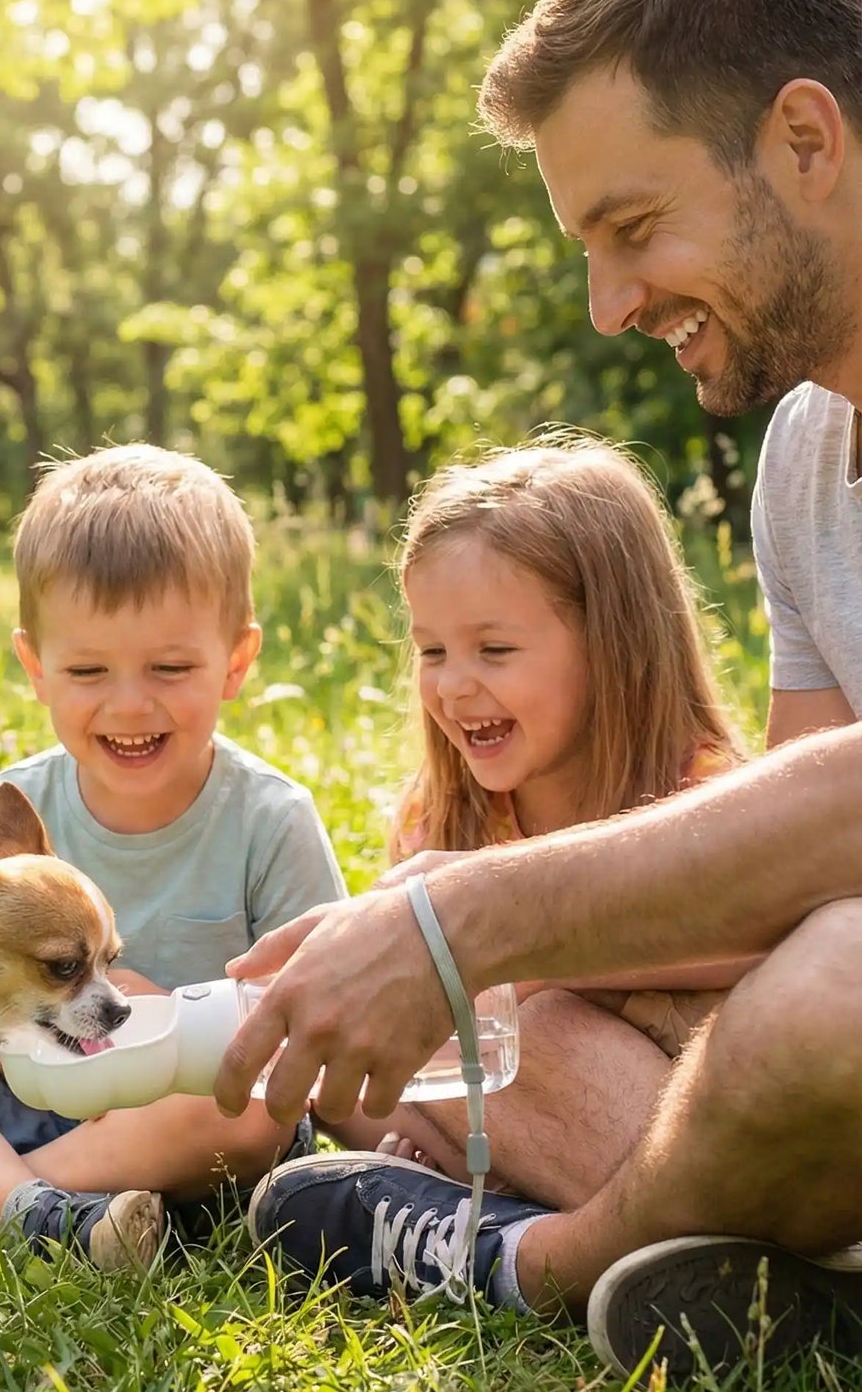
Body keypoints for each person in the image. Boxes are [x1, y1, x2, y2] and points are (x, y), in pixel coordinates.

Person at [225, 0, 862, 1377]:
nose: (611, 306)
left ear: (807, 141)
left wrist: (470, 917)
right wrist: (466, 953)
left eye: (635, 229)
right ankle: (791, 1276)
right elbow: (788, 872)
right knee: (559, 1030)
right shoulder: (807, 461)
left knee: (834, 992)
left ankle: (533, 1261)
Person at [0, 443, 347, 1270]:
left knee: (252, 1112)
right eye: (87, 670)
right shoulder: (15, 804)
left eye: (170, 668)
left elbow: (313, 1026)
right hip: (37, 1086)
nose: (130, 704)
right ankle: (57, 1219)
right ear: (37, 669)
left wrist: (160, 1014)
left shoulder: (270, 820)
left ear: (236, 663)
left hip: (190, 1113)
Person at [317, 436, 747, 1195]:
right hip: (510, 1114)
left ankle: (532, 1208)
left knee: (539, 1027)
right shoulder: (441, 819)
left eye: (494, 649)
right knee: (344, 1054)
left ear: (612, 644)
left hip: (667, 1121)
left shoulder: (706, 798)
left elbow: (754, 938)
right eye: (432, 652)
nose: (453, 686)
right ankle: (475, 1189)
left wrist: (534, 953)